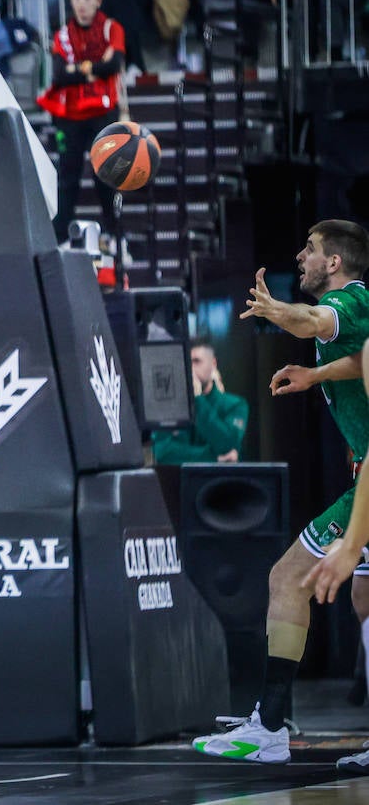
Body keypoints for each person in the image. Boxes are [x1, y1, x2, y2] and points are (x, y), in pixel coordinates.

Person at [193, 221, 369, 764]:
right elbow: (362, 363)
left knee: (286, 576)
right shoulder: (361, 315)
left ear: (334, 262)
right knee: (365, 599)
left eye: (310, 250)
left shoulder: (348, 302)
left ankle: (268, 728)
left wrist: (278, 313)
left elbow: (313, 319)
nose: (301, 255)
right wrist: (317, 377)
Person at [37, 0, 125, 244]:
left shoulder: (112, 29)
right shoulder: (62, 35)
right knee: (67, 178)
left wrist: (81, 69)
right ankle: (60, 238)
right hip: (69, 116)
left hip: (103, 114)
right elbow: (61, 75)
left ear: (98, 0)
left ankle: (115, 237)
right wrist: (95, 67)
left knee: (106, 177)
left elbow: (114, 66)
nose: (82, 2)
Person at [152, 343, 250, 464]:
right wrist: (212, 457)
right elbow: (162, 453)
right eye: (186, 362)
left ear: (213, 364)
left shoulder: (234, 404)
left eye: (196, 361)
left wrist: (197, 399)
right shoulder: (170, 408)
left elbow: (227, 446)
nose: (190, 368)